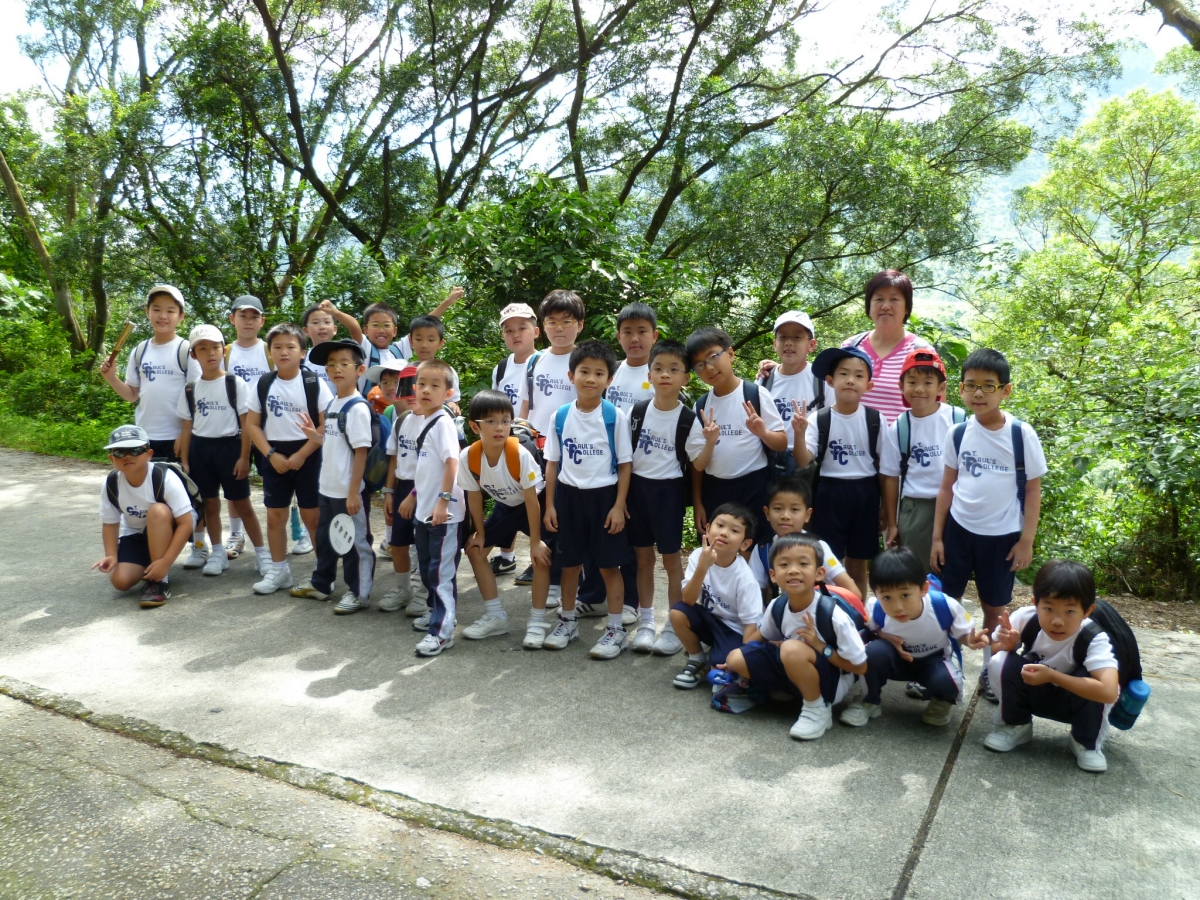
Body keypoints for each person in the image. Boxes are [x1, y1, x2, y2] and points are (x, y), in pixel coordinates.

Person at [931, 348, 1047, 703]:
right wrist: (937, 537)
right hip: (958, 530)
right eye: (970, 385)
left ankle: (991, 672)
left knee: (994, 607)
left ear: (1005, 390)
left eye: (988, 386)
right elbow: (946, 487)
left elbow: (1033, 489)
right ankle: (943, 666)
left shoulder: (1020, 434)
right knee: (946, 601)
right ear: (960, 389)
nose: (978, 393)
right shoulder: (957, 433)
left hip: (1002, 536)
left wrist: (1026, 540)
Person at [720, 533, 869, 741]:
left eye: (803, 563)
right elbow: (758, 639)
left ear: (819, 573)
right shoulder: (778, 605)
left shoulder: (833, 615)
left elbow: (860, 668)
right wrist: (731, 664)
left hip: (833, 682)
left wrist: (820, 646)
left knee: (790, 649)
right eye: (784, 564)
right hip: (797, 665)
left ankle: (817, 709)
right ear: (773, 575)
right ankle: (792, 691)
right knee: (735, 658)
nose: (793, 570)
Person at [98, 284, 206, 567]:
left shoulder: (186, 350)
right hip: (144, 439)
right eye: (156, 309)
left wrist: (185, 434)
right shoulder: (140, 350)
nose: (163, 316)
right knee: (153, 497)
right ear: (147, 312)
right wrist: (111, 378)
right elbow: (132, 394)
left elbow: (195, 395)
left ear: (181, 316)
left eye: (170, 310)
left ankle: (199, 545)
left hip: (179, 436)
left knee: (189, 492)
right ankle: (150, 549)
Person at [541, 340, 635, 659]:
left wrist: (619, 506)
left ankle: (616, 629)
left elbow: (625, 464)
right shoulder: (560, 416)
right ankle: (567, 622)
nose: (591, 379)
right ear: (571, 375)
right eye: (584, 371)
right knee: (569, 565)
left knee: (609, 566)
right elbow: (552, 463)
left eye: (599, 373)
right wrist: (550, 505)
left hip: (604, 499)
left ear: (609, 380)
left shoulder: (614, 416)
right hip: (568, 499)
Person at [981, 560, 1119, 773]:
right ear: (1035, 603)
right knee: (1000, 661)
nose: (1058, 621)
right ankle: (1016, 724)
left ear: (1087, 610)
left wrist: (1053, 676)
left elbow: (1109, 692)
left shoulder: (1093, 637)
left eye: (1070, 611)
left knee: (1095, 680)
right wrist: (1008, 645)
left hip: (1074, 702)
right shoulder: (1025, 618)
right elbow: (995, 654)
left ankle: (1086, 741)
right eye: (1048, 608)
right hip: (1033, 691)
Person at [577, 301, 659, 627]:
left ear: (654, 335)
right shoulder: (611, 371)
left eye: (642, 331)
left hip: (644, 470)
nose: (634, 338)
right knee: (599, 531)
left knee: (635, 539)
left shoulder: (660, 372)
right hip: (606, 468)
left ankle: (630, 601)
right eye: (627, 332)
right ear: (619, 336)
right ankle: (594, 596)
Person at [456, 390, 552, 646]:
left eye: (505, 421)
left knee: (541, 558)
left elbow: (532, 501)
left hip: (536, 506)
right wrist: (480, 533)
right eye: (491, 421)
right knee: (475, 550)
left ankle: (537, 622)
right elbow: (474, 497)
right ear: (475, 426)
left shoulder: (519, 454)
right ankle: (495, 616)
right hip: (506, 506)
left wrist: (535, 542)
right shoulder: (468, 457)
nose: (499, 427)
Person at [855, 548, 987, 728]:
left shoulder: (944, 605)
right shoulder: (876, 607)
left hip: (933, 661)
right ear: (875, 593)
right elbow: (873, 629)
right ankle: (869, 700)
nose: (897, 607)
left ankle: (941, 702)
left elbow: (963, 633)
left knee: (948, 681)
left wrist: (969, 641)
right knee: (870, 653)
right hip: (897, 661)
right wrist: (885, 636)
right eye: (887, 597)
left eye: (905, 595)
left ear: (924, 588)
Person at [289, 339, 376, 613]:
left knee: (354, 543)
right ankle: (321, 584)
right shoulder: (334, 403)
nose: (336, 369)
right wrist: (315, 436)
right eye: (331, 364)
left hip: (348, 491)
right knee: (326, 539)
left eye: (344, 364)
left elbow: (361, 452)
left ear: (360, 369)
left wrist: (353, 492)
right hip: (328, 487)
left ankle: (359, 593)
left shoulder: (357, 407)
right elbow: (335, 441)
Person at [246, 323, 333, 594]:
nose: (284, 352)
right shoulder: (263, 383)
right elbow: (252, 425)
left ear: (302, 352)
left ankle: (324, 574)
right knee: (275, 515)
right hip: (273, 455)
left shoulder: (313, 383)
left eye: (290, 347)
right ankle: (278, 570)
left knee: (312, 516)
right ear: (270, 352)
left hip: (309, 454)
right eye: (277, 347)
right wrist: (271, 455)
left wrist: (301, 454)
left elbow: (325, 424)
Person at [175, 324, 267, 577]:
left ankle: (262, 554)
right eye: (203, 349)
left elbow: (246, 424)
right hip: (201, 450)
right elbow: (187, 426)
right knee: (209, 504)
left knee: (242, 503)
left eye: (215, 347)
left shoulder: (234, 383)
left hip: (230, 448)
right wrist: (185, 460)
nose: (210, 353)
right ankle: (217, 552)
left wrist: (244, 457)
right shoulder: (191, 388)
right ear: (193, 354)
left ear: (223, 350)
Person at [684, 327, 788, 546]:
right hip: (715, 490)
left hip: (754, 487)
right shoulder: (701, 405)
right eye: (699, 365)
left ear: (730, 354)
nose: (709, 367)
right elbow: (697, 464)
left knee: (755, 548)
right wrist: (698, 502)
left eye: (713, 357)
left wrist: (762, 432)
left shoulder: (755, 394)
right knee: (718, 551)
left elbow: (781, 443)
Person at [795, 346, 884, 599]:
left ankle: (858, 614)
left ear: (869, 385)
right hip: (828, 493)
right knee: (827, 561)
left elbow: (886, 469)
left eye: (858, 375)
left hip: (865, 493)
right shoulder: (819, 418)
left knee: (858, 563)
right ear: (830, 381)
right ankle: (827, 611)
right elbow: (804, 460)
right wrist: (799, 434)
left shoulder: (875, 420)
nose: (851, 380)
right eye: (844, 374)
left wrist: (886, 509)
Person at [517, 289, 588, 608]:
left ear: (580, 325)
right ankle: (550, 574)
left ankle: (566, 578)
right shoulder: (535, 360)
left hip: (573, 450)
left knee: (566, 514)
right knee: (542, 513)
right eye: (552, 321)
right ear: (542, 326)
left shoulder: (585, 361)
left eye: (567, 321)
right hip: (536, 449)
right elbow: (526, 405)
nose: (559, 328)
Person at [623, 339, 695, 654]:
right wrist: (621, 500)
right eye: (659, 368)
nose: (666, 374)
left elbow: (697, 466)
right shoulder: (637, 412)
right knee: (643, 559)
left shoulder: (688, 418)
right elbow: (625, 459)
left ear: (686, 377)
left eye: (674, 369)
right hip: (637, 490)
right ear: (649, 374)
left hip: (669, 492)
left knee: (671, 560)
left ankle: (674, 627)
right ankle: (647, 622)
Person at [92, 425, 196, 609]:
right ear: (111, 458)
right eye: (119, 452)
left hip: (169, 528)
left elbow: (186, 524)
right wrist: (111, 555)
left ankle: (159, 581)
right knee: (120, 581)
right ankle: (150, 562)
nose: (127, 456)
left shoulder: (164, 477)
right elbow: (110, 523)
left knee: (157, 510)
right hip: (137, 533)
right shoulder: (111, 483)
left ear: (149, 454)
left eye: (135, 450)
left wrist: (165, 562)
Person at [880, 348, 965, 572]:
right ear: (901, 386)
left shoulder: (957, 419)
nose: (919, 389)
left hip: (956, 505)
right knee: (918, 571)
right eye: (912, 382)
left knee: (953, 567)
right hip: (917, 507)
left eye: (928, 383)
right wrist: (893, 523)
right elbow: (890, 477)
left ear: (941, 388)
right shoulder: (899, 427)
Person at [405, 359, 467, 657]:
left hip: (444, 514)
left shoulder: (443, 422)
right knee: (429, 569)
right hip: (425, 512)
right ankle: (437, 614)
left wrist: (443, 501)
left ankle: (441, 632)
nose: (426, 390)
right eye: (421, 384)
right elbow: (429, 469)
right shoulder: (425, 421)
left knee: (441, 574)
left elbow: (452, 462)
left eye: (434, 385)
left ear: (448, 393)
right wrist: (414, 495)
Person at [669, 504, 761, 688]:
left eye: (734, 530)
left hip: (735, 630)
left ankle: (716, 658)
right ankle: (697, 659)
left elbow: (750, 625)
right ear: (708, 528)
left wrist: (741, 660)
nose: (724, 533)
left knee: (718, 669)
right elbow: (688, 600)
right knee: (677, 613)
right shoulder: (699, 555)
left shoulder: (745, 578)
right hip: (710, 619)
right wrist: (703, 567)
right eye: (720, 525)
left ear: (745, 544)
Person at [487, 302, 541, 581]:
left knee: (532, 501)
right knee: (506, 495)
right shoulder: (502, 367)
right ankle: (506, 557)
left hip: (538, 445)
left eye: (522, 327)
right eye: (509, 330)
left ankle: (539, 557)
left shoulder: (545, 362)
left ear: (536, 331)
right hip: (507, 441)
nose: (515, 334)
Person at [748, 475, 861, 602]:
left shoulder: (818, 547)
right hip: (787, 610)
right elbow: (754, 595)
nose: (785, 516)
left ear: (807, 515)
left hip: (821, 608)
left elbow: (854, 593)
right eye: (778, 508)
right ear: (767, 513)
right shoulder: (763, 550)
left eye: (794, 509)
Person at [842, 270, 933, 424]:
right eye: (879, 299)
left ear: (907, 308)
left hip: (902, 439)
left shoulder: (922, 353)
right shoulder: (850, 347)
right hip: (851, 438)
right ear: (869, 306)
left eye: (894, 299)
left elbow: (936, 412)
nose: (885, 306)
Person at [223, 294, 272, 560]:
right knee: (235, 482)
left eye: (254, 317)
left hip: (268, 427)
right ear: (233, 319)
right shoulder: (225, 352)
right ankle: (236, 534)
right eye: (243, 316)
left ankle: (289, 532)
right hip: (235, 427)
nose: (248, 321)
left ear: (262, 321)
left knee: (274, 480)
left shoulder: (269, 350)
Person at [380, 365, 428, 616]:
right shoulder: (401, 421)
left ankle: (426, 592)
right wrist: (389, 491)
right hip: (402, 486)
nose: (410, 394)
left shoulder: (437, 421)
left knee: (425, 545)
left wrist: (415, 495)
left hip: (427, 489)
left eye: (416, 386)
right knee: (397, 543)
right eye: (405, 387)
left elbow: (441, 467)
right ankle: (404, 589)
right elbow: (394, 458)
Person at [754, 310, 827, 475]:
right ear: (775, 344)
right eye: (783, 337)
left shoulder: (822, 381)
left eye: (797, 337)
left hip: (809, 463)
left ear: (811, 345)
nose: (788, 343)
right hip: (769, 461)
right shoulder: (764, 380)